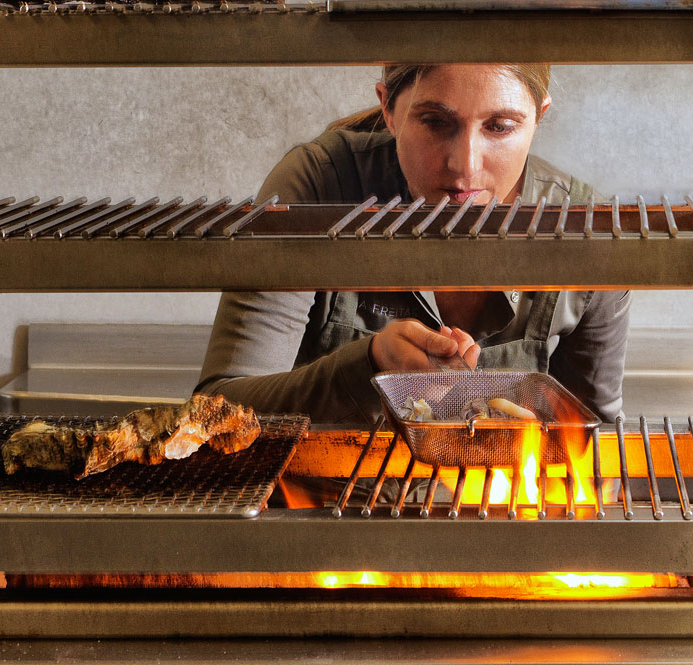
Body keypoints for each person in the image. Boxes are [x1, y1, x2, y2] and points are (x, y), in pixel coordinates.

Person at [195, 62, 627, 425]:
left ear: (539, 117)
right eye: (436, 122)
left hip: (499, 508)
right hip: (321, 512)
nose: (465, 166)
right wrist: (370, 364)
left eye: (499, 127)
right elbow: (218, 409)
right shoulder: (320, 184)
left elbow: (596, 438)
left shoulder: (583, 228)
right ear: (389, 108)